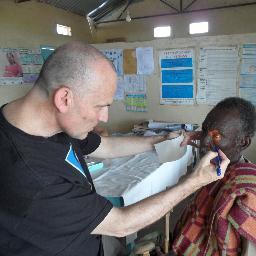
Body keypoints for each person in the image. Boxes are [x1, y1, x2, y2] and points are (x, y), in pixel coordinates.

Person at [0, 41, 230, 256]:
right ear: (64, 98)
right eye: (100, 106)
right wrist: (194, 181)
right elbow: (121, 223)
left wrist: (160, 140)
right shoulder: (30, 177)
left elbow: (105, 145)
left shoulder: (46, 124)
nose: (105, 117)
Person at [172, 97, 256, 256]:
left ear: (243, 143)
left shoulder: (242, 191)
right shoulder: (212, 170)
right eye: (204, 130)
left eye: (216, 136)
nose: (204, 142)